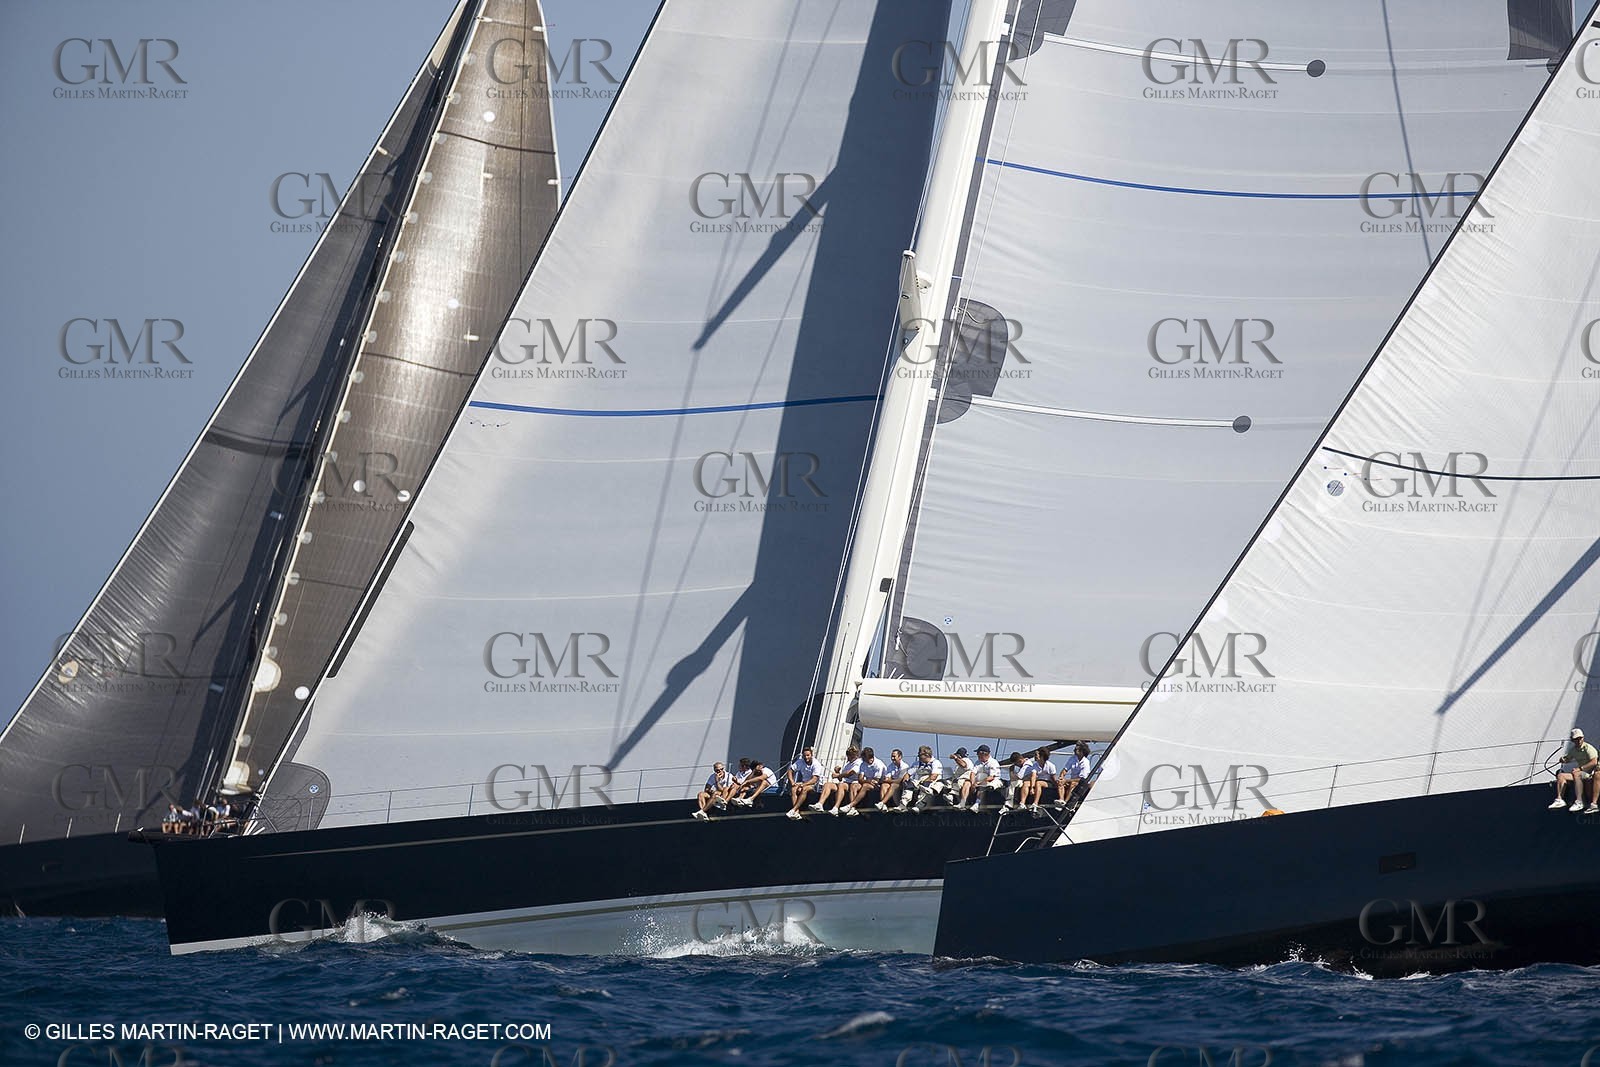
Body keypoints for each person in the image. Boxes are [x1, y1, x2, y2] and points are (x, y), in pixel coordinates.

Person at [1551, 728, 1600, 813]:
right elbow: (1568, 758)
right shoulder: (1573, 750)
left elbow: (1594, 762)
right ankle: (1559, 799)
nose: (1578, 740)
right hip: (1582, 773)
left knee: (1576, 773)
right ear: (1572, 740)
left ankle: (1579, 801)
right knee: (1561, 776)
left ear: (1583, 738)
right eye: (1576, 739)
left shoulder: (1588, 748)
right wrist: (1563, 759)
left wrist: (1580, 769)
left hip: (1590, 773)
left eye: (1580, 738)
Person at [815, 746, 863, 815]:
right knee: (828, 784)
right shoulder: (848, 764)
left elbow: (851, 773)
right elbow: (841, 778)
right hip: (845, 782)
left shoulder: (859, 762)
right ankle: (820, 804)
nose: (849, 758)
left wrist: (838, 775)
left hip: (854, 783)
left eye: (850, 756)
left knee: (841, 785)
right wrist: (837, 772)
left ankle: (836, 807)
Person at [843, 747, 888, 815]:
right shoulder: (863, 764)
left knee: (865, 786)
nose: (862, 760)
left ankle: (851, 805)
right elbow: (860, 779)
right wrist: (869, 781)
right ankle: (853, 809)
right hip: (867, 782)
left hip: (879, 785)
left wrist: (866, 781)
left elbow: (876, 781)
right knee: (853, 785)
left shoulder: (878, 764)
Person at [899, 745, 943, 812]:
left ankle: (919, 806)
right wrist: (905, 781)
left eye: (920, 755)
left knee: (925, 787)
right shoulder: (918, 763)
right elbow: (908, 774)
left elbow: (934, 776)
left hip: (932, 781)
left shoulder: (936, 763)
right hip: (920, 780)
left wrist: (923, 783)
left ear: (926, 755)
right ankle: (903, 803)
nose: (918, 756)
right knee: (910, 784)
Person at [785, 747, 825, 819]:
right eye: (804, 756)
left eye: (808, 755)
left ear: (811, 755)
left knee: (804, 789)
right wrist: (792, 782)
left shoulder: (816, 764)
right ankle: (796, 812)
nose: (806, 757)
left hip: (815, 785)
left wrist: (802, 785)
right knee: (793, 789)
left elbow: (814, 780)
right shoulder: (800, 761)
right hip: (804, 783)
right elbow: (790, 771)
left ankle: (793, 809)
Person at [1053, 741, 1093, 811]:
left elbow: (1082, 779)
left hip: (1081, 782)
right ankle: (1061, 800)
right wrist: (1061, 777)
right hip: (1072, 779)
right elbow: (1065, 769)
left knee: (1072, 784)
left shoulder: (1085, 762)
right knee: (1060, 782)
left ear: (1082, 751)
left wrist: (1066, 780)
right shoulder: (1072, 758)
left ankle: (1066, 802)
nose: (1074, 750)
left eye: (1076, 749)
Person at [964, 745, 1004, 812]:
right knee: (967, 783)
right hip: (979, 781)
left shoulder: (993, 762)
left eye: (978, 753)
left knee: (983, 786)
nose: (977, 755)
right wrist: (973, 783)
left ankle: (977, 804)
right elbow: (973, 773)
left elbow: (991, 777)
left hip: (993, 781)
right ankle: (964, 802)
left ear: (983, 754)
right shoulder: (978, 762)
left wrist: (978, 783)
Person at [1020, 746, 1058, 814]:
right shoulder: (1035, 765)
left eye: (1036, 755)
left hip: (1048, 782)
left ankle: (1035, 803)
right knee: (1026, 783)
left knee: (1038, 783)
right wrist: (1031, 788)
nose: (1034, 756)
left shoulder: (1050, 766)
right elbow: (1033, 776)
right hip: (1038, 780)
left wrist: (1057, 786)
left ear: (1041, 756)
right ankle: (1022, 803)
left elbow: (1053, 778)